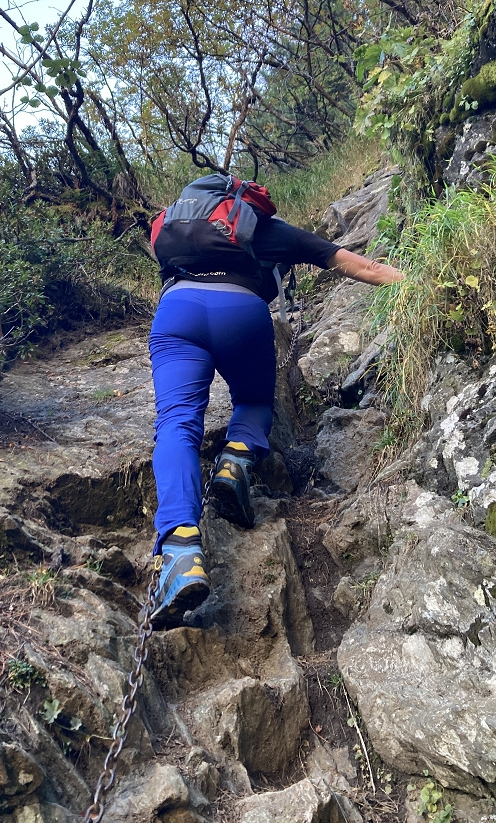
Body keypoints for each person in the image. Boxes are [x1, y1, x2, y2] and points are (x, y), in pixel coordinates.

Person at [147, 176, 404, 629]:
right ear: (246, 206)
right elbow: (361, 268)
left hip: (176, 312)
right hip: (240, 312)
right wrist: (424, 283)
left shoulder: (176, 228)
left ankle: (181, 550)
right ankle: (235, 463)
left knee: (176, 425)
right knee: (254, 402)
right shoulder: (266, 229)